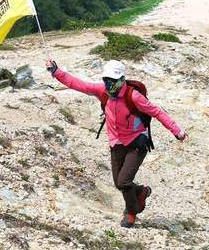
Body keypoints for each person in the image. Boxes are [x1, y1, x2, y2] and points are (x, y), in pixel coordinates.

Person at [45, 59, 188, 228]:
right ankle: (141, 192)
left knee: (124, 181)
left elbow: (156, 112)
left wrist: (177, 131)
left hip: (136, 143)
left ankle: (131, 212)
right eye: (106, 80)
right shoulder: (103, 91)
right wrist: (56, 71)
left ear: (121, 79)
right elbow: (79, 84)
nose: (109, 84)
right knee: (118, 182)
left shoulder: (133, 96)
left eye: (112, 81)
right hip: (116, 142)